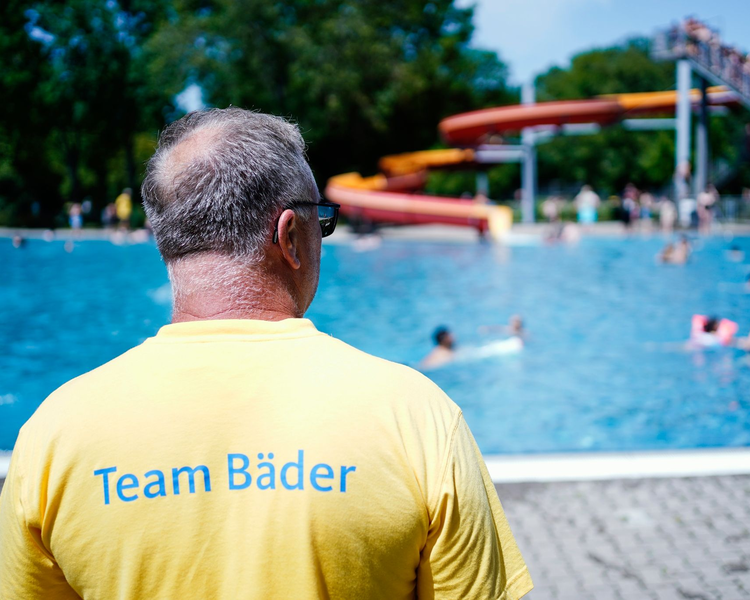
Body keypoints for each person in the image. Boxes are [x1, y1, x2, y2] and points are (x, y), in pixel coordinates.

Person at [0, 108, 533, 599]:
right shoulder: (417, 417)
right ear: (290, 236)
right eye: (322, 221)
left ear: (166, 238)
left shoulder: (54, 436)